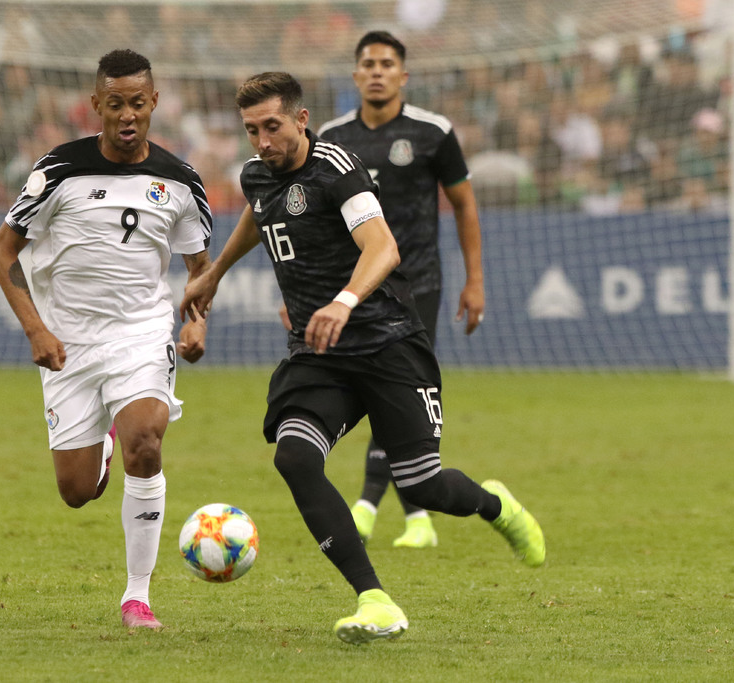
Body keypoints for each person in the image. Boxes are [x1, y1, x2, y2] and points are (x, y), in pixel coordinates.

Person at [181, 72, 544, 645]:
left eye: (272, 126)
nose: (263, 141)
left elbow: (383, 246)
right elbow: (259, 211)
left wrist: (344, 301)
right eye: (251, 130)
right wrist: (215, 272)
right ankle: (374, 599)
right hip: (320, 352)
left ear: (301, 120)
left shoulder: (335, 167)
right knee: (295, 457)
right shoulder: (256, 173)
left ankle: (497, 506)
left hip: (387, 343)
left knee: (422, 486)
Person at [0, 49, 212, 630]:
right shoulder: (59, 170)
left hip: (142, 333)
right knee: (76, 491)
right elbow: (3, 251)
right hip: (69, 343)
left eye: (137, 102)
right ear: (96, 105)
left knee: (146, 442)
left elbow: (199, 269)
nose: (127, 115)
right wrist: (36, 328)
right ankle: (103, 447)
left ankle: (137, 597)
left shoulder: (180, 181)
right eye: (115, 104)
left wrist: (196, 320)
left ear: (154, 102)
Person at [315, 31, 485, 549]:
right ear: (355, 75)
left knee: (396, 391)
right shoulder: (332, 137)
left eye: (387, 64)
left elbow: (464, 204)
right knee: (374, 391)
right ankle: (411, 516)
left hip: (418, 286)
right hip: (356, 286)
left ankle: (370, 508)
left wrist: (475, 280)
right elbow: (316, 219)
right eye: (368, 63)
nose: (377, 72)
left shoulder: (432, 132)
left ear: (403, 75)